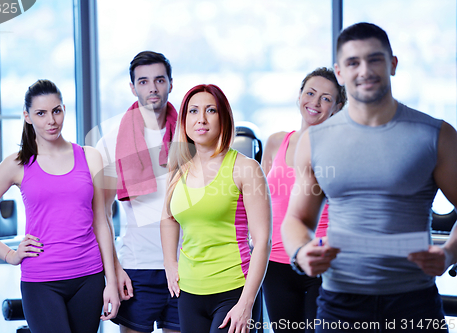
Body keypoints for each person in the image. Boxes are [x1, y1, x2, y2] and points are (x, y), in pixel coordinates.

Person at [281, 22, 457, 332]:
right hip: (340, 304)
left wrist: (448, 254)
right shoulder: (314, 141)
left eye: (374, 59)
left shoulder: (436, 135)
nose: (364, 70)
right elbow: (297, 219)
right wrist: (301, 253)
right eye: (353, 62)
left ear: (392, 64)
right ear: (340, 72)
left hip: (414, 303)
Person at [0, 79, 120, 333]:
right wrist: (10, 255)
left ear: (64, 110)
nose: (51, 121)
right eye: (41, 113)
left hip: (89, 278)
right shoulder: (17, 163)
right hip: (41, 281)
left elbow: (101, 221)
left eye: (56, 111)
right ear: (27, 116)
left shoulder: (90, 156)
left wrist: (111, 280)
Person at [161, 84, 272, 333]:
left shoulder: (245, 168)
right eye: (193, 111)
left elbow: (263, 240)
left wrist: (247, 302)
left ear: (223, 118)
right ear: (184, 120)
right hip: (189, 291)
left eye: (210, 110)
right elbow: (168, 218)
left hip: (233, 290)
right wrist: (169, 262)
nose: (201, 119)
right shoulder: (178, 168)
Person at [95, 51, 180, 333]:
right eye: (143, 82)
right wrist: (114, 269)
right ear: (132, 87)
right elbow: (102, 215)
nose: (152, 88)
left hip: (187, 264)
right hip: (137, 266)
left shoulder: (190, 134)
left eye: (159, 80)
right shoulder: (111, 141)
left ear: (170, 83)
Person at [261, 67, 346, 333]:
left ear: (337, 106)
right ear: (299, 96)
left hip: (320, 260)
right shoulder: (276, 142)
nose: (315, 102)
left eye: (326, 98)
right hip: (275, 261)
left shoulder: (341, 149)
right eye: (310, 93)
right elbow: (259, 200)